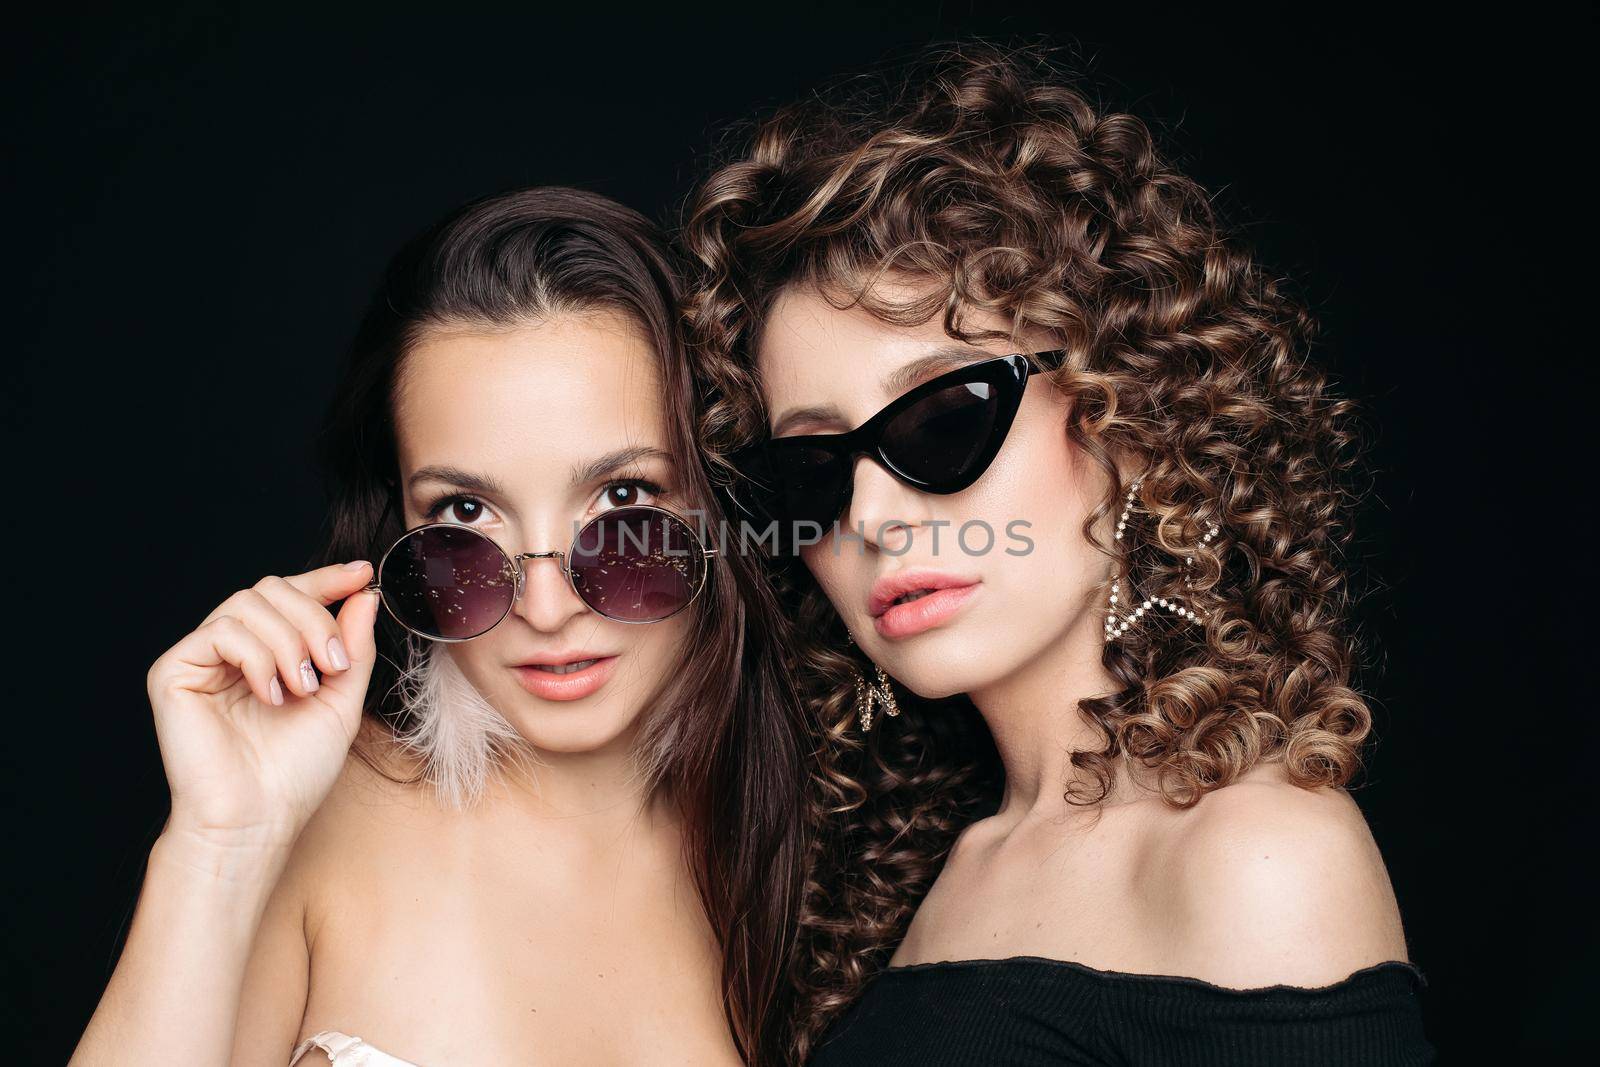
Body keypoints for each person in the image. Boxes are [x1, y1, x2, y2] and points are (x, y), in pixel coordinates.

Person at [682, 43, 1435, 1064]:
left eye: (942, 420)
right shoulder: (930, 869)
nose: (871, 515)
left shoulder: (1254, 852)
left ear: (1125, 414)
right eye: (812, 470)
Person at [71, 186, 808, 1066]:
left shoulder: (814, 855)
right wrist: (219, 845)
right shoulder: (314, 829)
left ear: (719, 504)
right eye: (467, 510)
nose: (545, 608)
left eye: (623, 498)